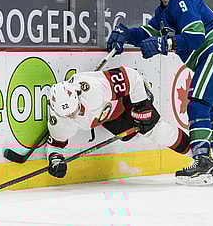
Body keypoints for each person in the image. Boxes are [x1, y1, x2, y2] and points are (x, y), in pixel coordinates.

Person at [106, 0, 213, 186]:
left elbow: (196, 37)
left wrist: (166, 44)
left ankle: (202, 162)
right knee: (210, 108)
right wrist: (126, 34)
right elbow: (146, 33)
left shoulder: (181, 0)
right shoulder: (164, 14)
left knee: (197, 104)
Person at [45, 66, 192, 179]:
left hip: (126, 100)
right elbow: (54, 146)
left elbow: (132, 77)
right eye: (69, 115)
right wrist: (55, 161)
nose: (75, 115)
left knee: (153, 129)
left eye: (76, 109)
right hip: (109, 117)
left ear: (77, 95)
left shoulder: (92, 87)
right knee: (129, 136)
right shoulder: (59, 121)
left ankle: (199, 156)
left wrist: (141, 104)